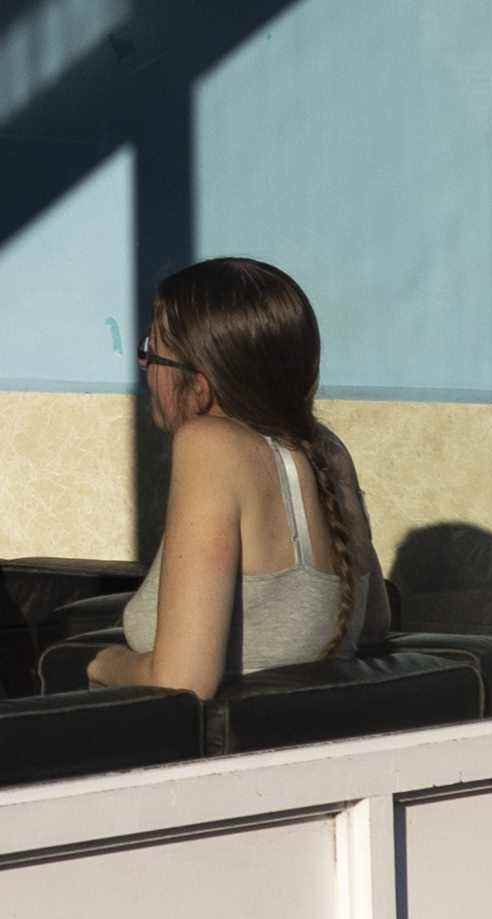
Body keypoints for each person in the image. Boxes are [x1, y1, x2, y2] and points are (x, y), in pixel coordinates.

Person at [70, 257, 374, 699]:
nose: (144, 367)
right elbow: (373, 623)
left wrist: (100, 662)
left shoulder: (211, 445)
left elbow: (181, 683)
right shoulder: (325, 450)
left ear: (199, 383)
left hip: (194, 759)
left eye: (151, 351)